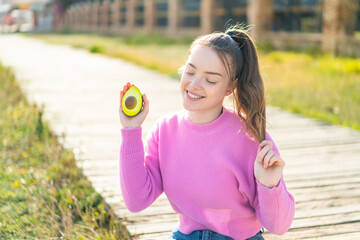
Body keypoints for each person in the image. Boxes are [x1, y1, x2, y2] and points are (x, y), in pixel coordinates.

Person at [118, 26, 295, 240]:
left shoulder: (252, 138)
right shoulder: (164, 131)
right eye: (190, 72)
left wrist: (270, 185)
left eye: (210, 80)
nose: (194, 85)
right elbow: (136, 200)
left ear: (229, 88)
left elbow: (278, 225)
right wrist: (131, 130)